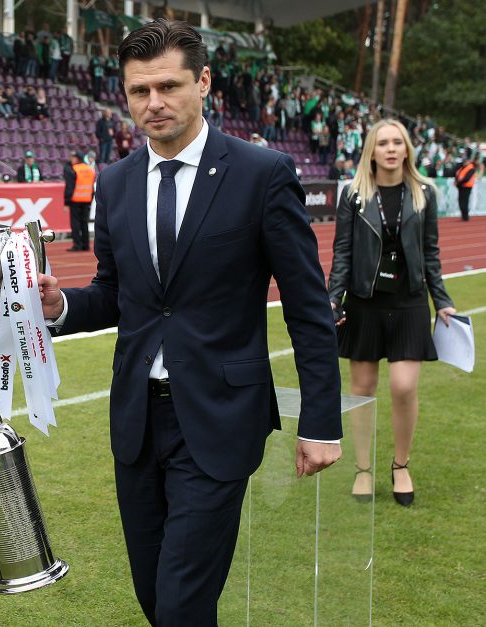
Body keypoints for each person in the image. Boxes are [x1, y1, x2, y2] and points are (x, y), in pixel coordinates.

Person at [38, 20, 342, 624]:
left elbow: (309, 309)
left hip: (220, 418)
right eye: (139, 91)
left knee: (180, 602)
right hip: (137, 421)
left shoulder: (262, 173)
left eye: (169, 86)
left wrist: (322, 422)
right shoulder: (116, 180)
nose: (154, 103)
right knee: (156, 598)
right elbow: (116, 293)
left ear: (204, 82)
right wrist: (63, 307)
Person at [328, 119, 456, 507]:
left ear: (406, 149)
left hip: (409, 303)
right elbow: (343, 253)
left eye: (397, 142)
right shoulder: (353, 194)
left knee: (403, 386)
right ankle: (363, 469)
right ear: (372, 149)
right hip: (364, 304)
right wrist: (333, 298)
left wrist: (442, 299)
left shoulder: (423, 193)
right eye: (382, 142)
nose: (390, 149)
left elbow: (430, 253)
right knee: (362, 390)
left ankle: (401, 465)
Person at [62, 151, 92, 251]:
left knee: (75, 223)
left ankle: (77, 245)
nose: (71, 159)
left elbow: (69, 187)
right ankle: (86, 245)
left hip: (75, 200)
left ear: (77, 159)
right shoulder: (90, 169)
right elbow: (92, 187)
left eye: (73, 157)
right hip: (87, 200)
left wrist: (66, 202)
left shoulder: (74, 169)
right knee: (84, 223)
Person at [454, 152, 476, 221]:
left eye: (466, 161)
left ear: (469, 161)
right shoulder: (462, 168)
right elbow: (457, 175)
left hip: (467, 187)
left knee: (464, 202)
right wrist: (457, 182)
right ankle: (463, 216)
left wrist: (458, 182)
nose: (464, 162)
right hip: (461, 187)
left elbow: (467, 178)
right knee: (461, 201)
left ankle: (465, 217)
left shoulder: (471, 168)